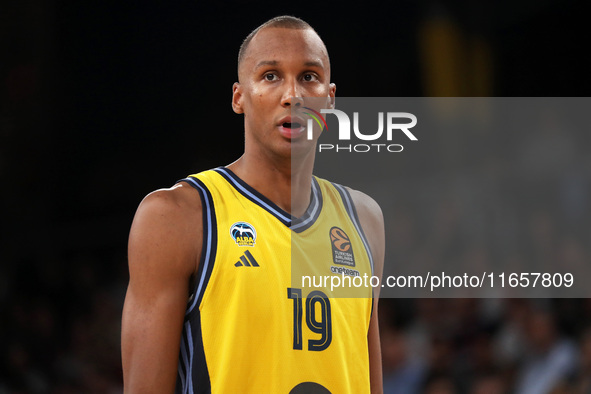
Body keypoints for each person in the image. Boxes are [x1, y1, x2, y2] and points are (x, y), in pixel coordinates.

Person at [121, 15, 385, 393]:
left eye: (309, 76)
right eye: (271, 76)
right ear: (238, 97)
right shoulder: (177, 216)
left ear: (329, 98)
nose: (292, 94)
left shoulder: (364, 219)